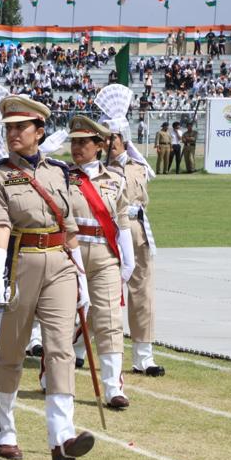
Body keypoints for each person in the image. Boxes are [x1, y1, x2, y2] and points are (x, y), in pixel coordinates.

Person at [0, 95, 95, 460]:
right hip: (21, 262)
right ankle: (5, 430)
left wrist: (82, 277)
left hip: (60, 261)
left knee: (60, 347)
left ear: (39, 132)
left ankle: (61, 435)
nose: (13, 134)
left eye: (21, 127)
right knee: (12, 351)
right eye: (9, 128)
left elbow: (71, 225)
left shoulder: (58, 171)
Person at [96, 84, 164, 377]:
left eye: (113, 139)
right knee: (98, 291)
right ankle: (79, 348)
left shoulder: (137, 167)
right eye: (105, 139)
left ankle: (143, 356)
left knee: (141, 293)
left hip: (135, 230)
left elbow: (140, 184)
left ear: (123, 140)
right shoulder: (96, 171)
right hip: (107, 231)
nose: (109, 144)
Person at [66, 116, 132, 410]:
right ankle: (52, 375)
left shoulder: (115, 180)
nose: (77, 148)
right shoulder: (61, 175)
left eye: (84, 142)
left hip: (104, 255)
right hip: (69, 255)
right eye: (74, 142)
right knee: (64, 319)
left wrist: (127, 261)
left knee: (108, 320)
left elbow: (122, 221)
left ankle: (113, 389)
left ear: (99, 145)